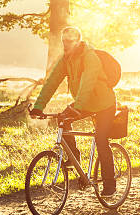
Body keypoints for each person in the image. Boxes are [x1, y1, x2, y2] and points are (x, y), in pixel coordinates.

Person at [29, 26, 117, 196]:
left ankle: (110, 184)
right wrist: (39, 106)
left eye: (69, 41)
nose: (65, 44)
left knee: (100, 139)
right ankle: (73, 158)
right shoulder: (66, 60)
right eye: (63, 41)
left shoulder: (90, 57)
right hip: (85, 104)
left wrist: (77, 107)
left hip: (104, 104)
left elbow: (87, 84)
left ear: (78, 42)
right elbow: (51, 83)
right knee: (63, 119)